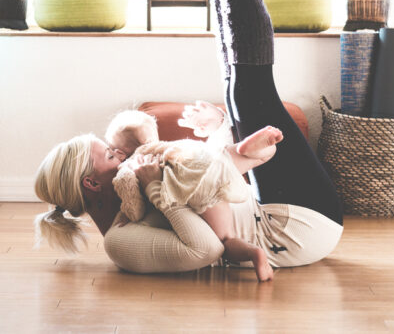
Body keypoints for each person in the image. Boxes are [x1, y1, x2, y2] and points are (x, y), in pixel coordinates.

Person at [34, 0, 345, 276]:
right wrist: (157, 191)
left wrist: (219, 130)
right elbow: (207, 248)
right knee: (249, 89)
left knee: (236, 89)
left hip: (275, 209)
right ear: (91, 183)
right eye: (111, 156)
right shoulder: (120, 240)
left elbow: (205, 183)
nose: (123, 154)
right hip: (295, 226)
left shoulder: (133, 187)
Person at [105, 108, 284, 280]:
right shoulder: (171, 147)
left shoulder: (133, 165)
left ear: (119, 152)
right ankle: (250, 150)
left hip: (193, 188)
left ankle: (255, 254)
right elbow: (202, 154)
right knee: (257, 157)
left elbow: (131, 198)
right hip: (204, 160)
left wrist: (129, 215)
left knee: (226, 240)